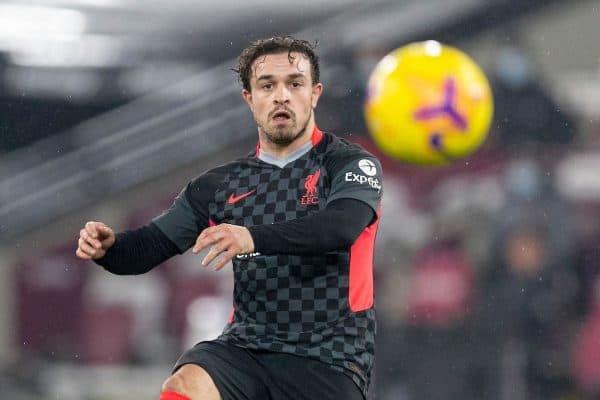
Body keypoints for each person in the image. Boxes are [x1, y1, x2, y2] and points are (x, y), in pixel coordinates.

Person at [76, 36, 383, 400]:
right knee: (185, 385)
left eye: (294, 84)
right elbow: (148, 247)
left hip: (328, 358)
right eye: (267, 85)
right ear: (249, 99)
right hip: (245, 350)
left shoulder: (349, 164)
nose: (281, 96)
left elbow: (341, 227)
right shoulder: (219, 185)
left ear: (315, 94)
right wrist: (110, 249)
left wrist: (253, 237)